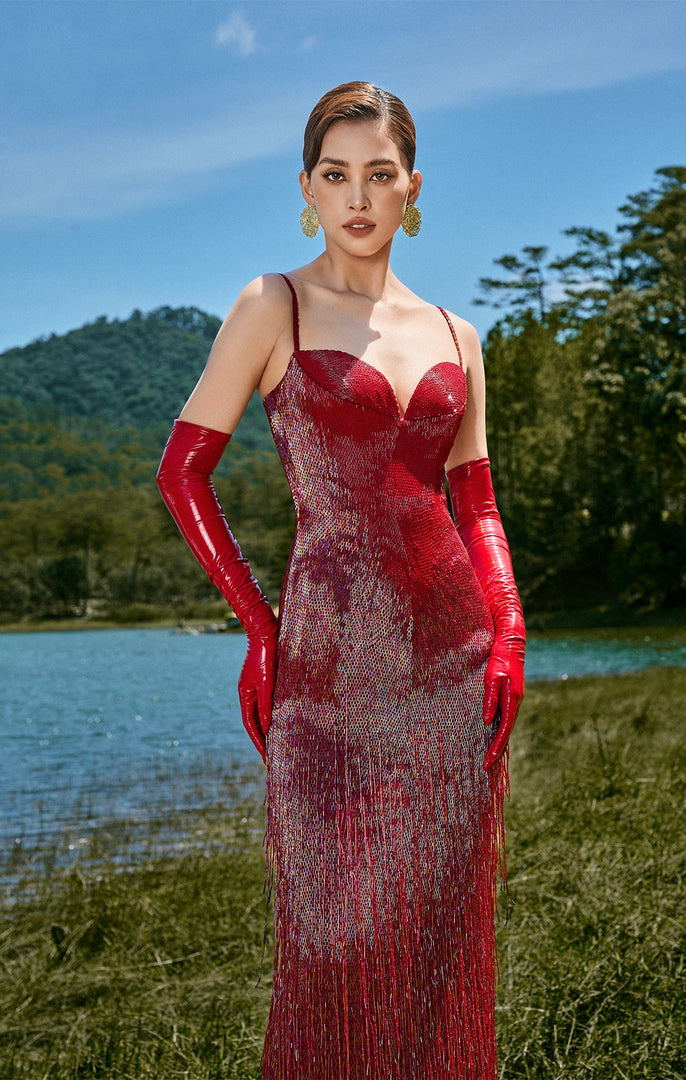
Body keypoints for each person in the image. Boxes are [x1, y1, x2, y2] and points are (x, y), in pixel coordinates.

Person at [157, 81, 525, 1080]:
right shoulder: (270, 304)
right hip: (323, 676)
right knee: (331, 950)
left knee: (436, 947)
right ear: (306, 189)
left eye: (379, 174)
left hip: (451, 665)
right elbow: (180, 470)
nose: (357, 197)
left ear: (413, 188)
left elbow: (478, 509)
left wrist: (512, 639)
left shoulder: (460, 337)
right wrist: (258, 627)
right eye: (335, 175)